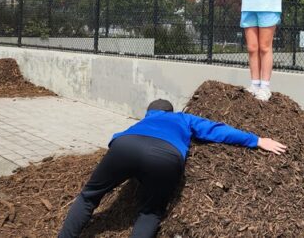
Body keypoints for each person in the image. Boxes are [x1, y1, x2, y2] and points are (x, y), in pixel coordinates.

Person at [58, 99, 286, 238]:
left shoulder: (143, 121)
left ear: (149, 112)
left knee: (88, 197)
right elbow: (216, 130)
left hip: (125, 146)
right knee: (150, 212)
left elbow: (116, 144)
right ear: (171, 110)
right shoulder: (183, 118)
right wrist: (256, 140)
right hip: (166, 155)